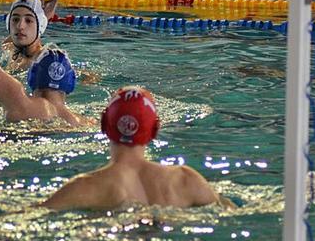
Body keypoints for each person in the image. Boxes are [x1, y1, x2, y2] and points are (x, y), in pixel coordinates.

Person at [42, 86, 233, 210]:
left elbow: (29, 216)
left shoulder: (86, 186)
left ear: (104, 125)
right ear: (154, 130)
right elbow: (230, 211)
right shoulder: (186, 180)